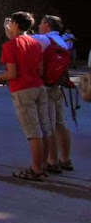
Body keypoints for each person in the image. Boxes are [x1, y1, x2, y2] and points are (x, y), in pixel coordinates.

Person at [0, 11, 50, 181]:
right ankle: (43, 165)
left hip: (23, 90)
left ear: (16, 24)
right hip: (39, 87)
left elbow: (12, 73)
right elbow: (40, 70)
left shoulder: (10, 45)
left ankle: (36, 170)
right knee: (43, 129)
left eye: (11, 23)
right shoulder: (35, 43)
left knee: (33, 132)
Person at [32, 15, 74, 174]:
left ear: (47, 25)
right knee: (61, 124)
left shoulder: (43, 39)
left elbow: (20, 38)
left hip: (46, 87)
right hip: (58, 87)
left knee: (47, 126)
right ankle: (66, 159)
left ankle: (52, 161)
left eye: (42, 23)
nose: (39, 25)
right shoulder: (63, 41)